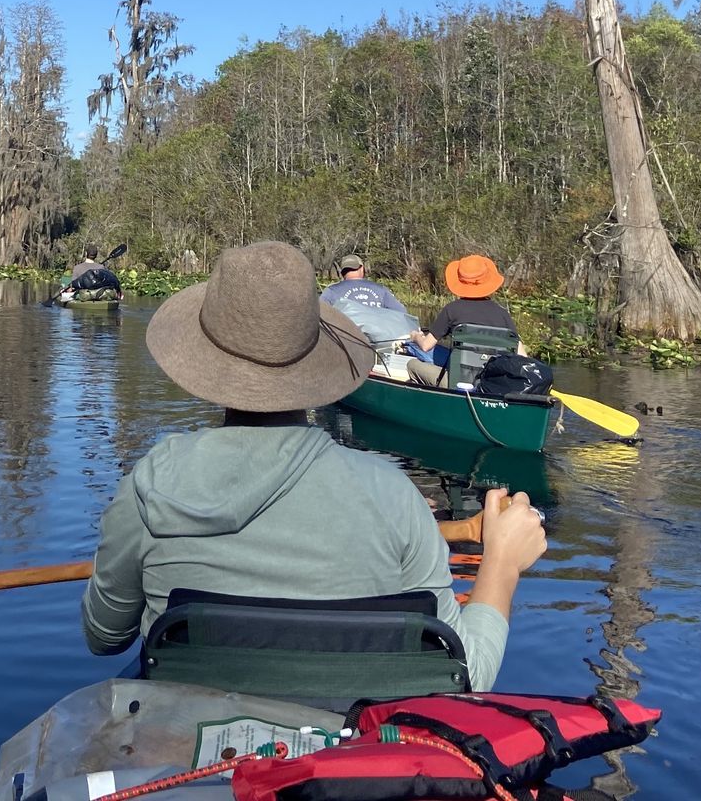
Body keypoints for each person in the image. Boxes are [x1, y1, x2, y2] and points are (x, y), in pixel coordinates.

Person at [80, 241, 547, 691]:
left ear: (205, 361)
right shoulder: (394, 495)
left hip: (188, 760)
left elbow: (104, 637)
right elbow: (465, 675)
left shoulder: (148, 488)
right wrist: (502, 563)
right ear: (314, 356)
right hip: (348, 757)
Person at [405, 253, 526, 371]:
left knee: (413, 363)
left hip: (457, 380)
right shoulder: (502, 314)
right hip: (492, 381)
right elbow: (522, 356)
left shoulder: (451, 309)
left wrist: (415, 336)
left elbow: (426, 346)